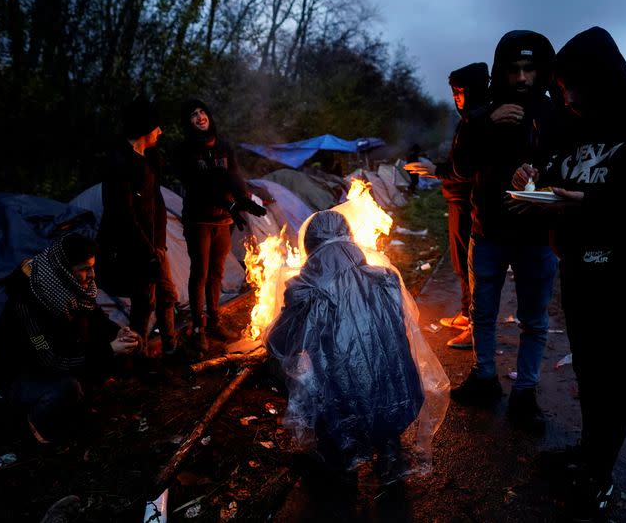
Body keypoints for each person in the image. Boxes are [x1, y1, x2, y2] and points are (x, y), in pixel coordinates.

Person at [511, 26, 626, 520]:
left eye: (569, 85)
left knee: (612, 370)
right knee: (589, 366)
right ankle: (588, 451)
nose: (562, 96)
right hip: (577, 263)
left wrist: (592, 202)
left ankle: (600, 472)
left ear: (600, 78)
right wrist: (531, 183)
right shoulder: (570, 125)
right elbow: (552, 176)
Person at [265, 210, 449, 480]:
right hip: (398, 393)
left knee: (295, 367)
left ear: (310, 246)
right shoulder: (385, 279)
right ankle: (389, 449)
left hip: (343, 398)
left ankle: (341, 454)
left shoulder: (304, 289)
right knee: (377, 365)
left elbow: (277, 342)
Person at [449, 30, 559, 433]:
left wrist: (539, 174)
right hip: (488, 231)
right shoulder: (483, 110)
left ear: (541, 71)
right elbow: (460, 166)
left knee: (534, 318)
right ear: (502, 71)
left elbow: (569, 166)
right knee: (483, 310)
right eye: (514, 70)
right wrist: (485, 124)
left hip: (536, 237)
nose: (522, 78)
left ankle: (525, 393)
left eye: (530, 69)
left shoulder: (554, 113)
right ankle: (484, 378)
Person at [0, 234, 139, 444]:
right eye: (84, 269)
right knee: (67, 387)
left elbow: (95, 316)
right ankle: (34, 425)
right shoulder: (26, 306)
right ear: (63, 270)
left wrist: (117, 332)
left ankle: (77, 405)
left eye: (92, 267)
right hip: (24, 373)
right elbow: (49, 361)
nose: (92, 275)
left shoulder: (70, 286)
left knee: (108, 351)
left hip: (61, 354)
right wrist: (108, 351)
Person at [174, 99, 266, 351]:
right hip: (199, 220)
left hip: (222, 219)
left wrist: (244, 200)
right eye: (193, 115)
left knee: (217, 273)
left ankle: (214, 320)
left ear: (209, 116)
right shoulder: (186, 151)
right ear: (188, 122)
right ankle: (198, 328)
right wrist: (232, 206)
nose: (200, 117)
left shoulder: (223, 146)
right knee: (200, 274)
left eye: (202, 112)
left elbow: (233, 176)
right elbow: (200, 186)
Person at [96, 97, 183, 359]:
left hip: (156, 245)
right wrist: (147, 251)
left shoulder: (150, 158)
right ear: (145, 128)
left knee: (168, 295)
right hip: (134, 248)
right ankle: (138, 356)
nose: (161, 131)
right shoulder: (119, 163)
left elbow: (156, 202)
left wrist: (160, 245)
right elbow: (123, 214)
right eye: (157, 126)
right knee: (144, 303)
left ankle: (171, 346)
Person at [434, 62, 490, 347]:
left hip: (471, 203)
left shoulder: (479, 121)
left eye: (460, 92)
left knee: (473, 267)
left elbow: (465, 168)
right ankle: (466, 313)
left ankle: (474, 326)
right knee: (459, 262)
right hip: (458, 200)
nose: (456, 98)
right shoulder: (468, 121)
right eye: (454, 93)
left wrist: (437, 171)